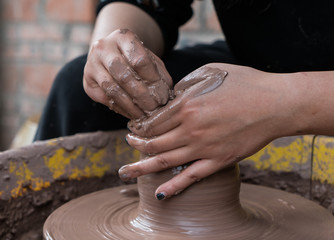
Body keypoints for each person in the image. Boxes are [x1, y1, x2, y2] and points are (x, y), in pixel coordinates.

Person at [35, 0, 334, 200]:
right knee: (79, 91)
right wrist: (115, 52)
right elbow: (149, 7)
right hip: (262, 61)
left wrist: (281, 102)